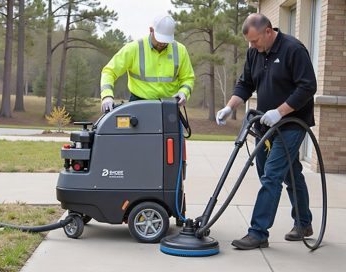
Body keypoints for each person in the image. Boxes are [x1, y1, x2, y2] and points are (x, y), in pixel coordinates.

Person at [216, 13, 316, 250]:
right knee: (289, 174)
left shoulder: (293, 49)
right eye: (249, 42)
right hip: (264, 124)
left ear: (268, 31)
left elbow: (308, 86)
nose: (252, 46)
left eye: (255, 41)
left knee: (272, 175)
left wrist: (280, 112)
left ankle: (258, 232)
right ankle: (303, 223)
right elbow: (246, 83)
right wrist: (230, 107)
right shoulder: (255, 53)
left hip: (291, 125)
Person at [100, 14, 195, 112]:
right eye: (160, 39)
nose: (162, 44)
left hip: (169, 106)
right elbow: (109, 71)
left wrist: (183, 92)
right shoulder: (134, 49)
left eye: (166, 41)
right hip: (138, 105)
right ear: (151, 30)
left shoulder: (180, 50)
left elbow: (188, 78)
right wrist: (107, 95)